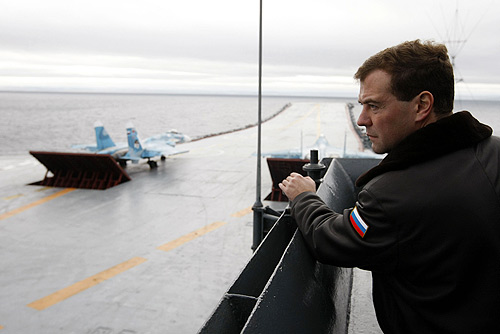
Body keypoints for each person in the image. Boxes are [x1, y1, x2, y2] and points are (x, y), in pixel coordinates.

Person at [279, 39, 500, 333]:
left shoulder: (390, 196)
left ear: (422, 105)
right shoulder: (495, 152)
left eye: (374, 106)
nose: (361, 120)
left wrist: (304, 197)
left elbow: (330, 239)